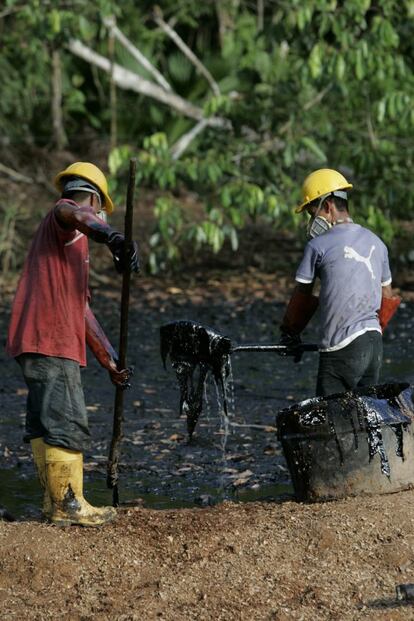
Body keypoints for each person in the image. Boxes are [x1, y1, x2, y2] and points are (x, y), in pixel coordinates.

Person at [6, 162, 139, 527]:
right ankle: (69, 505)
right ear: (95, 199)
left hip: (37, 337)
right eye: (98, 210)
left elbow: (81, 310)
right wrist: (111, 236)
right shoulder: (65, 218)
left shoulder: (72, 244)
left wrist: (110, 359)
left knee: (43, 423)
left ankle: (53, 503)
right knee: (66, 420)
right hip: (51, 339)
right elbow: (72, 211)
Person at [279, 168, 401, 397]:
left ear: (327, 206)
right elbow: (387, 296)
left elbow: (303, 294)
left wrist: (290, 335)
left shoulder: (317, 246)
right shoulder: (377, 242)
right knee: (365, 414)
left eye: (312, 213)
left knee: (331, 416)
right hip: (374, 344)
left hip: (341, 348)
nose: (311, 220)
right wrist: (368, 333)